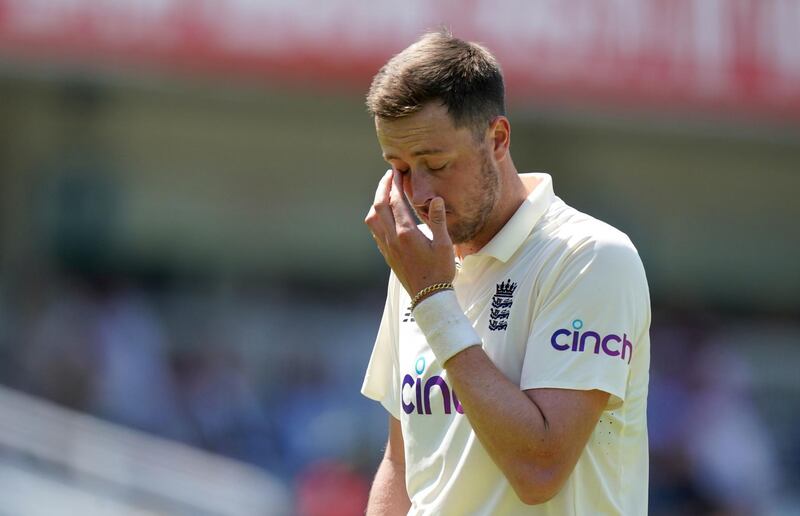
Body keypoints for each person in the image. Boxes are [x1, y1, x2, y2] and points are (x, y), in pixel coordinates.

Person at [361, 30, 651, 515]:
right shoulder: (417, 267)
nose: (419, 192)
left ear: (497, 138)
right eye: (400, 168)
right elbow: (403, 461)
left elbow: (539, 470)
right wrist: (427, 290)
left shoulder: (590, 256)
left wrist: (434, 300)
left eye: (437, 163)